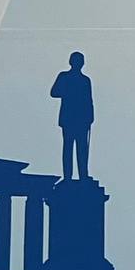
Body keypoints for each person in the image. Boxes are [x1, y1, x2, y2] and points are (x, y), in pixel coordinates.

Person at [50, 50, 94, 180]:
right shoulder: (64, 76)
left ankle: (83, 175)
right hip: (69, 118)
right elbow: (54, 92)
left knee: (82, 149)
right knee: (68, 148)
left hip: (82, 119)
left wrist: (90, 117)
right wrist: (69, 92)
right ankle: (68, 177)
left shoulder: (85, 80)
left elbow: (89, 100)